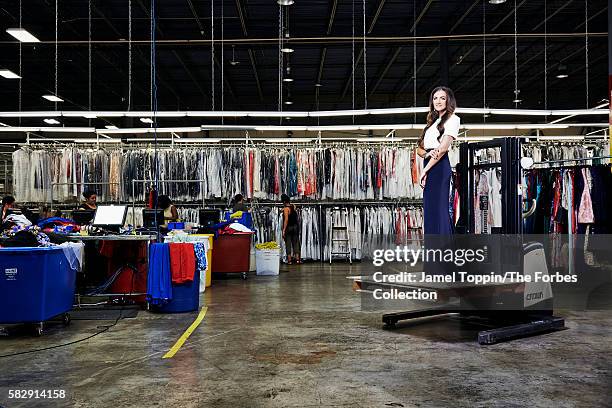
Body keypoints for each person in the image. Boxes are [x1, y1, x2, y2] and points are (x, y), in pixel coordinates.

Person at [417, 86, 460, 235]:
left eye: (442, 98)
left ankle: (444, 250)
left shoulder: (453, 119)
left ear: (449, 100)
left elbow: (442, 149)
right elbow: (419, 149)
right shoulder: (432, 122)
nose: (438, 101)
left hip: (439, 166)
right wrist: (427, 155)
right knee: (430, 209)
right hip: (430, 163)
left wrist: (425, 170)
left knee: (439, 209)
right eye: (435, 98)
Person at [281, 194, 302, 264]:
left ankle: (289, 261)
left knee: (288, 244)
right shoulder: (293, 206)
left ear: (283, 201)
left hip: (289, 228)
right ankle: (298, 260)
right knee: (296, 243)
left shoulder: (285, 209)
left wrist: (283, 230)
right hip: (295, 227)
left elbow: (286, 220)